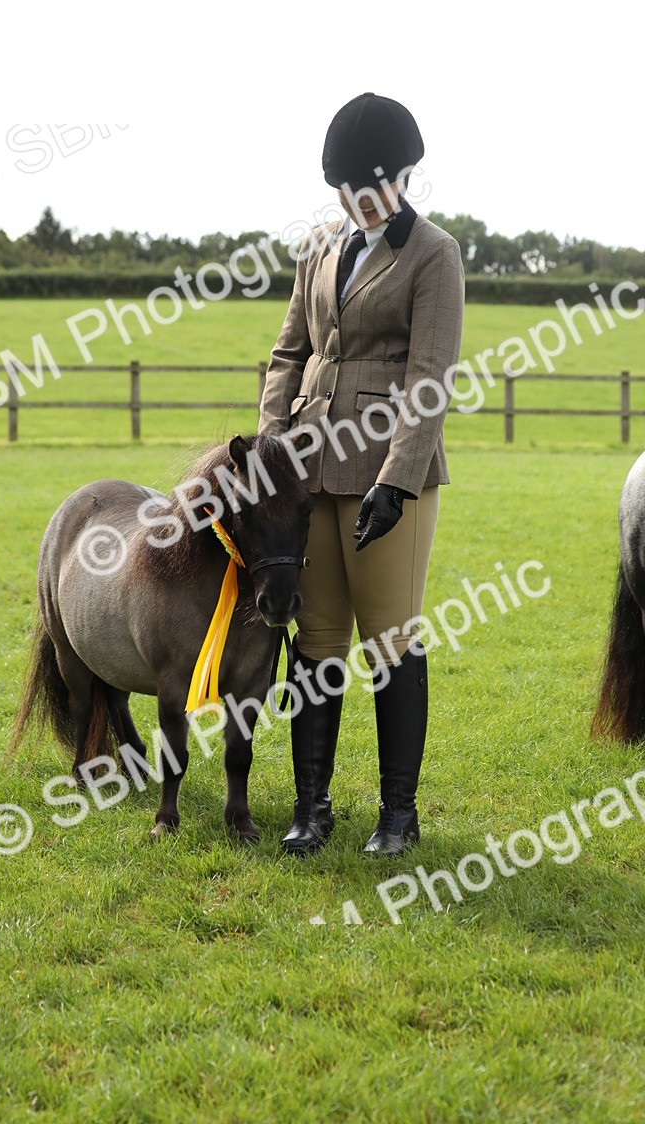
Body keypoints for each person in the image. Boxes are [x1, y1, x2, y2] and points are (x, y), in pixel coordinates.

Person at [258, 92, 465, 857]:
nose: (357, 200)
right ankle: (312, 808)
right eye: (344, 187)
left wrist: (396, 480)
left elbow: (429, 377)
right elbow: (289, 352)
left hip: (386, 477)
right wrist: (272, 447)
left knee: (389, 641)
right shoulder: (318, 247)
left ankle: (397, 815)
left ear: (405, 175)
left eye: (370, 184)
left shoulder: (434, 254)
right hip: (309, 470)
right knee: (314, 641)